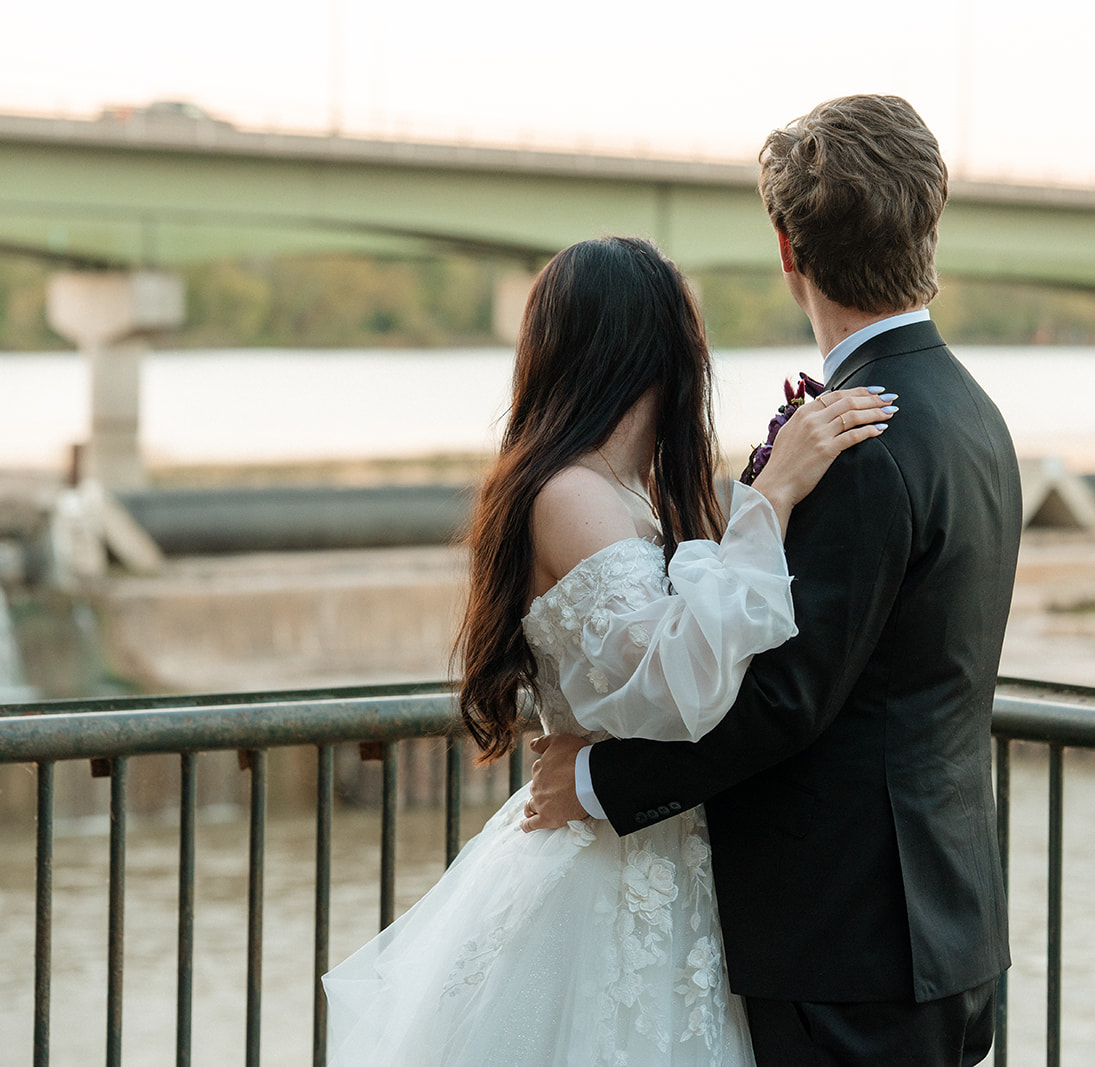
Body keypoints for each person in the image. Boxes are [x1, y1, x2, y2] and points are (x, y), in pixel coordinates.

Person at [523, 95, 1022, 1066]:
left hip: (850, 944)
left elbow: (786, 699)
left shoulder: (860, 438)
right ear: (929, 228)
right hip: (947, 924)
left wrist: (592, 777)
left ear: (788, 252)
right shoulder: (971, 413)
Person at [321, 234, 894, 1065]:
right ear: (652, 349)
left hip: (672, 864)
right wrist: (769, 498)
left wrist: (769, 492)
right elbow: (672, 685)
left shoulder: (648, 491)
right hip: (608, 885)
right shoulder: (570, 494)